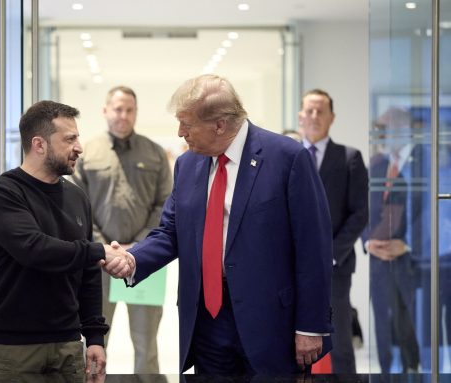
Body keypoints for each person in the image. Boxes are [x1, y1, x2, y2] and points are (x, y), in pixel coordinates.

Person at [109, 74, 334, 374]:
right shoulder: (188, 164)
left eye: (186, 124)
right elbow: (172, 232)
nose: (179, 133)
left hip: (270, 322)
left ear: (219, 124)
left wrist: (311, 325)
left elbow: (313, 246)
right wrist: (133, 258)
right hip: (207, 321)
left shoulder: (287, 158)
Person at [0, 100, 133, 377]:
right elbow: (34, 249)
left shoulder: (76, 196)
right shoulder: (3, 194)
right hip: (11, 349)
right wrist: (98, 250)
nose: (79, 147)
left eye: (78, 137)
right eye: (69, 139)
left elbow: (87, 273)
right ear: (39, 145)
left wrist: (95, 337)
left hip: (67, 346)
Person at [72, 86, 173, 373]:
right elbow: (78, 208)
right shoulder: (88, 152)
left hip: (145, 264)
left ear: (136, 113)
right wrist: (105, 248)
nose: (123, 115)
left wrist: (138, 249)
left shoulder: (153, 153)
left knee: (146, 343)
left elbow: (164, 205)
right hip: (98, 264)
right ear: (105, 111)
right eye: (118, 108)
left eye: (129, 109)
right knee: (94, 342)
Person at [298, 89, 369, 373]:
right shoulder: (287, 156)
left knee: (338, 340)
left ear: (332, 117)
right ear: (300, 116)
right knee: (289, 341)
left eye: (321, 111)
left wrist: (330, 254)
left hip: (335, 267)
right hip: (291, 266)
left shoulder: (349, 158)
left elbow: (360, 213)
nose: (315, 116)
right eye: (310, 111)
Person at [364, 107, 422, 373]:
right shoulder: (375, 165)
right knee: (384, 325)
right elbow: (361, 210)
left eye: (384, 128)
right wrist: (368, 242)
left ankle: (416, 371)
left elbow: (437, 211)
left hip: (416, 262)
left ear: (403, 128)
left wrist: (408, 242)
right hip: (379, 262)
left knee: (412, 325)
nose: (381, 133)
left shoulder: (426, 162)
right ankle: (386, 374)